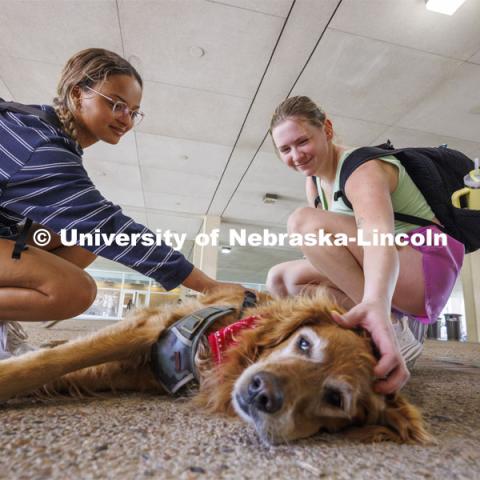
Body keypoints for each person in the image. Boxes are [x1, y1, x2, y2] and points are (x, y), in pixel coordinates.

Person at [0, 48, 234, 359]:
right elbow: (108, 226)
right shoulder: (41, 146)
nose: (126, 120)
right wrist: (210, 286)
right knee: (74, 290)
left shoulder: (39, 127)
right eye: (116, 105)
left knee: (83, 239)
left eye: (133, 111)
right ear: (78, 93)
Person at [266, 96, 464, 394]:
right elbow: (339, 255)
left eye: (302, 141)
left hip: (424, 265)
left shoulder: (362, 169)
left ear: (327, 129)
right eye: (285, 149)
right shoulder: (314, 186)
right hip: (391, 269)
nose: (297, 155)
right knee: (281, 280)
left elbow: (377, 239)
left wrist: (376, 302)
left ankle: (391, 325)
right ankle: (369, 344)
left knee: (303, 222)